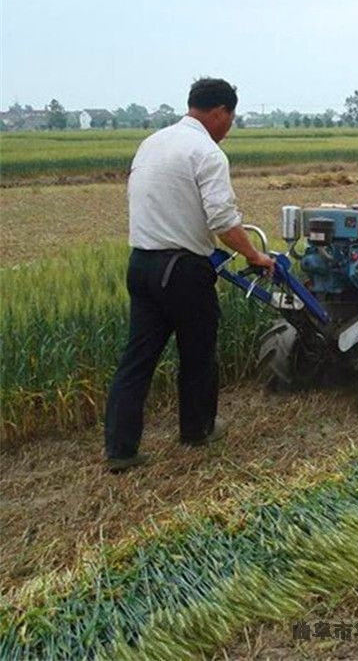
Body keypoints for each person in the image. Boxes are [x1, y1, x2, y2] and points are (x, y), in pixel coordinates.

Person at [105, 78, 274, 472]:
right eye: (231, 119)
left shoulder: (153, 142)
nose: (229, 127)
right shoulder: (207, 153)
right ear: (220, 113)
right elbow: (222, 219)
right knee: (198, 355)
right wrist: (254, 255)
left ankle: (120, 450)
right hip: (182, 271)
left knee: (136, 360)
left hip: (142, 264)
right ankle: (198, 430)